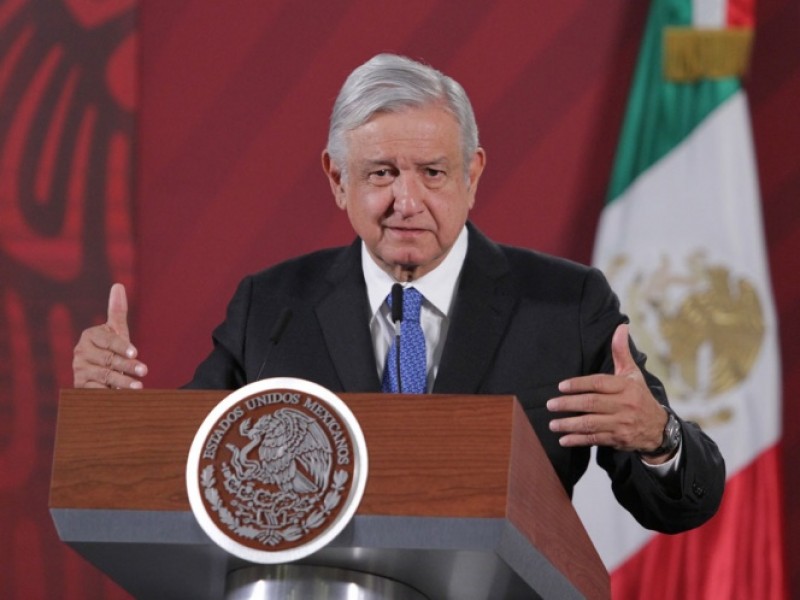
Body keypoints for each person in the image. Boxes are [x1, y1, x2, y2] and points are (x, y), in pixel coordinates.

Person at [73, 53, 724, 533]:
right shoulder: (270, 307)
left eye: (433, 173)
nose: (406, 202)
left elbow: (678, 504)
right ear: (337, 179)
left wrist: (659, 438)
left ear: (472, 174)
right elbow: (186, 467)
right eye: (381, 173)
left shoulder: (566, 305)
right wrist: (110, 414)